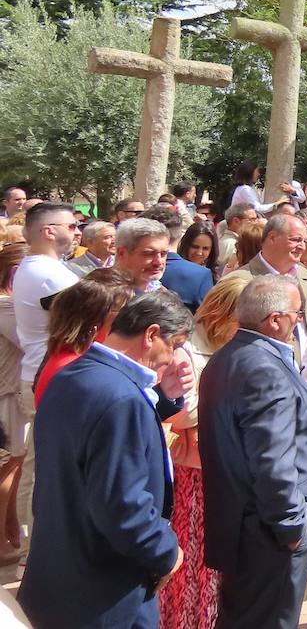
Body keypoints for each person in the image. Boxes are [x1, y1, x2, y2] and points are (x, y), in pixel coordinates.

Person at [18, 291, 192, 629]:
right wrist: (167, 550)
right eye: (173, 345)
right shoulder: (121, 399)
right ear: (151, 335)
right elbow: (123, 505)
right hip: (107, 590)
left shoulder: (73, 376)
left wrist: (164, 398)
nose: (172, 359)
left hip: (62, 574)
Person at [199, 275, 307, 629]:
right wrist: (292, 529)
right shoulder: (263, 369)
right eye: (297, 314)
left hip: (246, 530)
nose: (299, 321)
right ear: (275, 320)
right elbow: (272, 461)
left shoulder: (228, 357)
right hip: (268, 535)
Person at [160, 277, 248, 629]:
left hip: (222, 472)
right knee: (192, 567)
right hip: (194, 476)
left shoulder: (229, 347)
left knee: (213, 569)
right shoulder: (187, 352)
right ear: (221, 313)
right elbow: (182, 410)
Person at [11, 202, 79, 559]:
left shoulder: (46, 268)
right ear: (48, 230)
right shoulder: (45, 272)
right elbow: (95, 310)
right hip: (48, 378)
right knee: (42, 469)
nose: (77, 230)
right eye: (71, 224)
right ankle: (34, 552)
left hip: (48, 375)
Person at [217, 212, 307, 410]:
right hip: (266, 395)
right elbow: (220, 340)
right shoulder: (239, 282)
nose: (302, 246)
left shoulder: (306, 276)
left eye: (304, 241)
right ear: (271, 238)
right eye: (296, 239)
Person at [33, 269, 138, 405]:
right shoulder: (76, 369)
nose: (128, 320)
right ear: (93, 319)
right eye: (123, 312)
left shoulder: (70, 358)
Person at [0, 244, 26, 563]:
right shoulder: (6, 305)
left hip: (10, 390)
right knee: (8, 465)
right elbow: (27, 339)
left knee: (13, 464)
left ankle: (10, 530)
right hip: (6, 393)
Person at [156, 209, 214, 311]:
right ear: (185, 244)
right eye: (195, 247)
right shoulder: (201, 274)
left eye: (205, 248)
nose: (199, 253)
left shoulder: (211, 273)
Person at [215, 203, 258, 274]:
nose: (256, 223)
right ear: (236, 221)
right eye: (252, 220)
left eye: (256, 219)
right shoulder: (233, 245)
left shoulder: (224, 241)